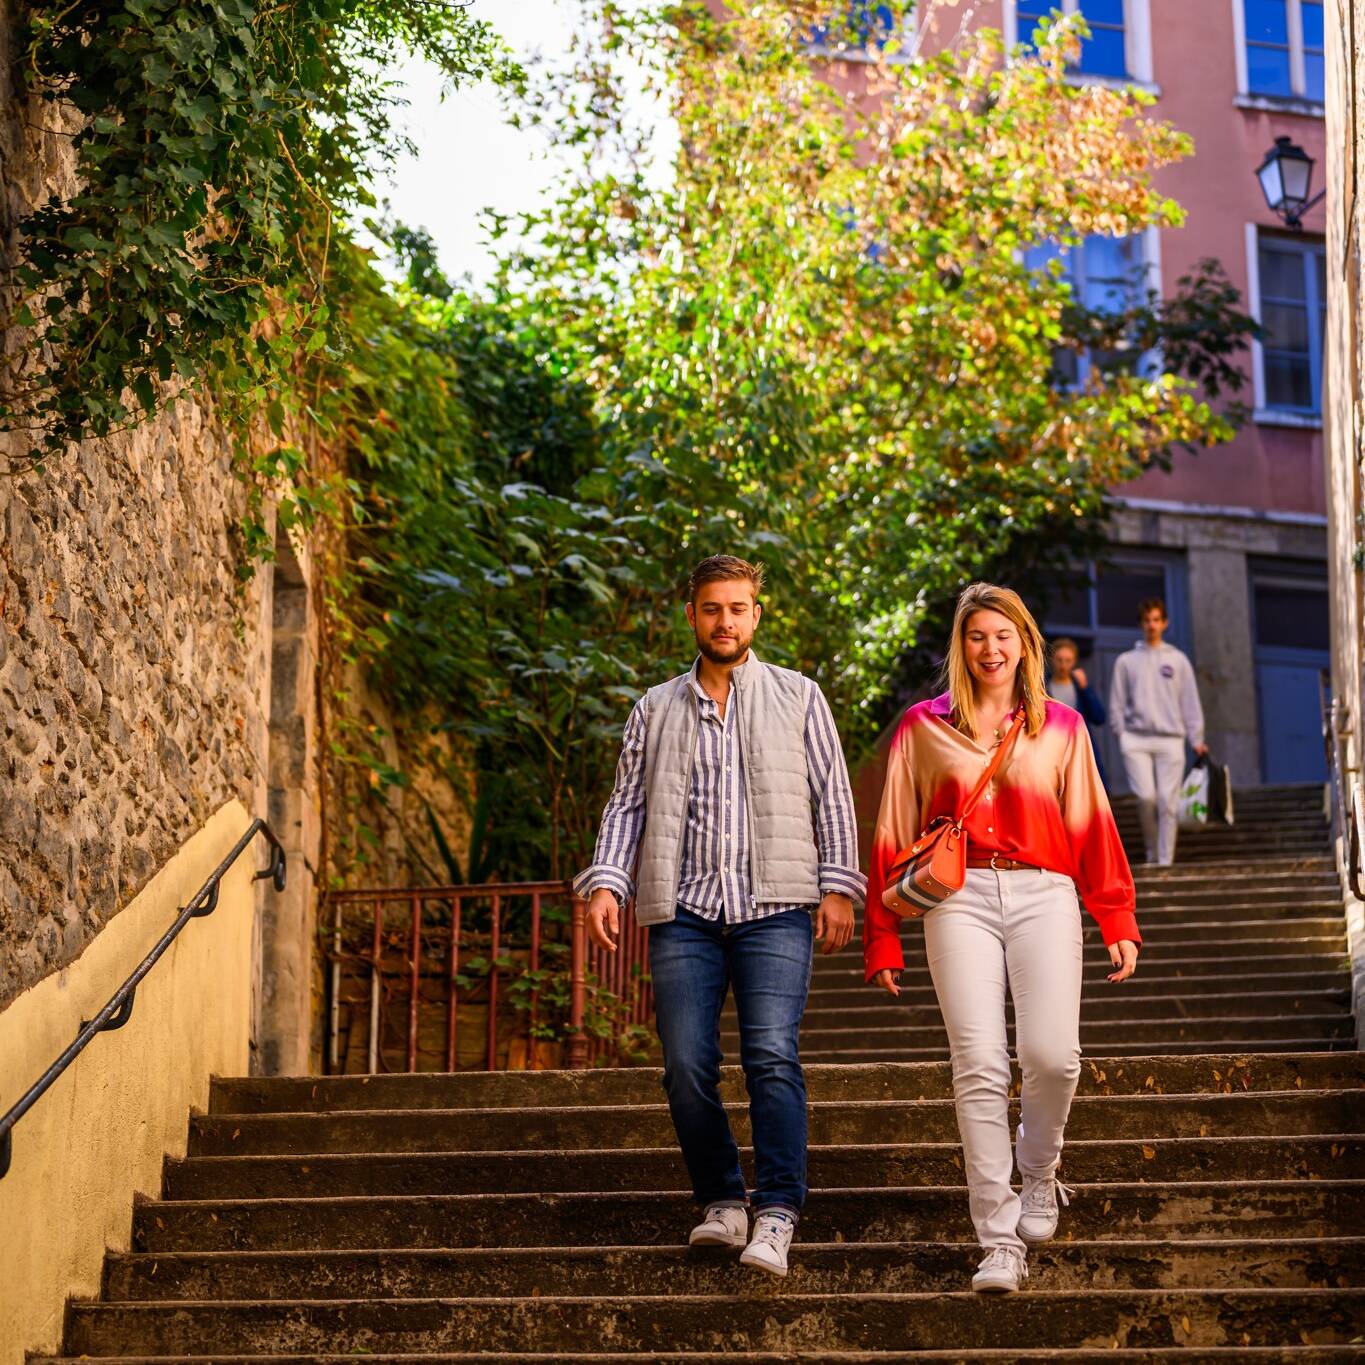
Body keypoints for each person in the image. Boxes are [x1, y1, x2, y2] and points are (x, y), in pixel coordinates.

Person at [576, 554, 866, 1278]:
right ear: (693, 616)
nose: (725, 620)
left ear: (755, 614)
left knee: (770, 1053)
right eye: (712, 608)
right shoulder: (654, 707)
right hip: (684, 911)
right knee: (684, 1064)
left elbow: (831, 793)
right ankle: (721, 1200)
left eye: (737, 608)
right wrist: (606, 881)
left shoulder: (798, 695)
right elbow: (627, 805)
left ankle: (775, 1213)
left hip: (775, 908)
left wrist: (837, 885)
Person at [864, 582, 1138, 1294]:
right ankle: (997, 1239)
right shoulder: (921, 728)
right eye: (976, 636)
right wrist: (881, 935)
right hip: (955, 900)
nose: (990, 648)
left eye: (1002, 635)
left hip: (1045, 893)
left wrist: (1114, 915)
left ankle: (1039, 1169)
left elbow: (1091, 827)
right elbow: (891, 832)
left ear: (1024, 643)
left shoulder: (1063, 728)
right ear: (961, 646)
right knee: (978, 1064)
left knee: (1053, 1056)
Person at [1108, 597, 1207, 866]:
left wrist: (1196, 738)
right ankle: (1151, 852)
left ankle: (1165, 861)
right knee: (1146, 798)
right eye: (1147, 620)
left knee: (1167, 801)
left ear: (1165, 623)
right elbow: (1116, 702)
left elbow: (1190, 701)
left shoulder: (1177, 660)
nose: (1151, 625)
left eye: (1156, 620)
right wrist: (1122, 735)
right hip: (1136, 739)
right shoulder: (1126, 661)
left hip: (1171, 740)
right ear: (1141, 624)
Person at [1046, 636, 1108, 788]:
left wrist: (1085, 688)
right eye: (1059, 659)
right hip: (1051, 748)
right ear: (1052, 659)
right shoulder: (1042, 686)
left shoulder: (1080, 686)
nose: (1063, 665)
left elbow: (1099, 717)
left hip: (1079, 747)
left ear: (1074, 662)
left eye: (1068, 660)